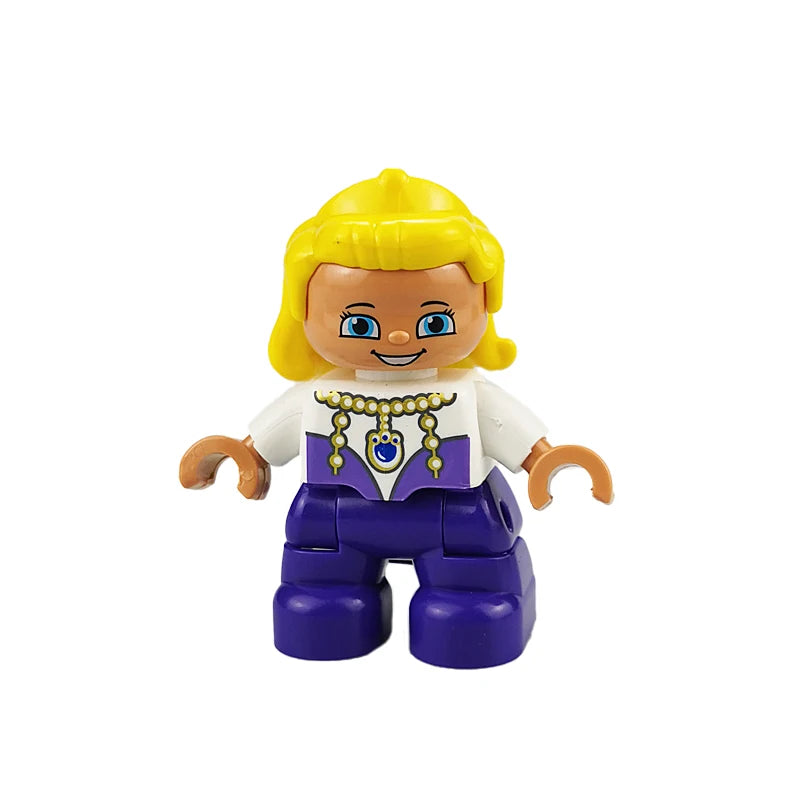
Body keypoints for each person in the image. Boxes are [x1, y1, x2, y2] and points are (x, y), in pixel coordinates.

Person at [179, 169, 612, 668]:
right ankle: (328, 606)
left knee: (470, 589)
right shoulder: (318, 393)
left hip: (454, 515)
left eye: (434, 321)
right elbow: (275, 430)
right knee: (320, 583)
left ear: (481, 307)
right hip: (335, 511)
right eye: (360, 323)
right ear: (305, 311)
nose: (399, 338)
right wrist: (245, 455)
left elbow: (507, 428)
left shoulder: (469, 394)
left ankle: (469, 610)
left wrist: (543, 461)